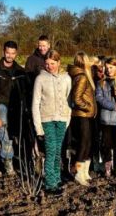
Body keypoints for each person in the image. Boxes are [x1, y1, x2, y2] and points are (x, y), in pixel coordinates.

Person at [32, 50, 72, 195]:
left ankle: (56, 178)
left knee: (57, 151)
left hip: (61, 120)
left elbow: (69, 101)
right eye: (47, 64)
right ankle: (50, 184)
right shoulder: (40, 79)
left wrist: (67, 119)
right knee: (51, 151)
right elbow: (35, 103)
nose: (50, 66)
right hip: (46, 120)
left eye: (53, 63)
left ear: (58, 63)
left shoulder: (66, 78)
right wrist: (38, 127)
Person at [0, 40, 28, 176]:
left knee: (15, 134)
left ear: (16, 54)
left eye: (12, 53)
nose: (10, 56)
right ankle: (8, 159)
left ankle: (23, 159)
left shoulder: (20, 72)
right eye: (7, 53)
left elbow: (25, 92)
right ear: (3, 52)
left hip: (16, 106)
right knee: (4, 130)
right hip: (1, 105)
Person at [68, 51, 97, 186]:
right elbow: (77, 98)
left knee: (88, 144)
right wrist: (88, 107)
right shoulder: (82, 77)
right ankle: (78, 173)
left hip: (87, 115)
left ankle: (85, 171)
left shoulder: (83, 75)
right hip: (82, 115)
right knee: (83, 144)